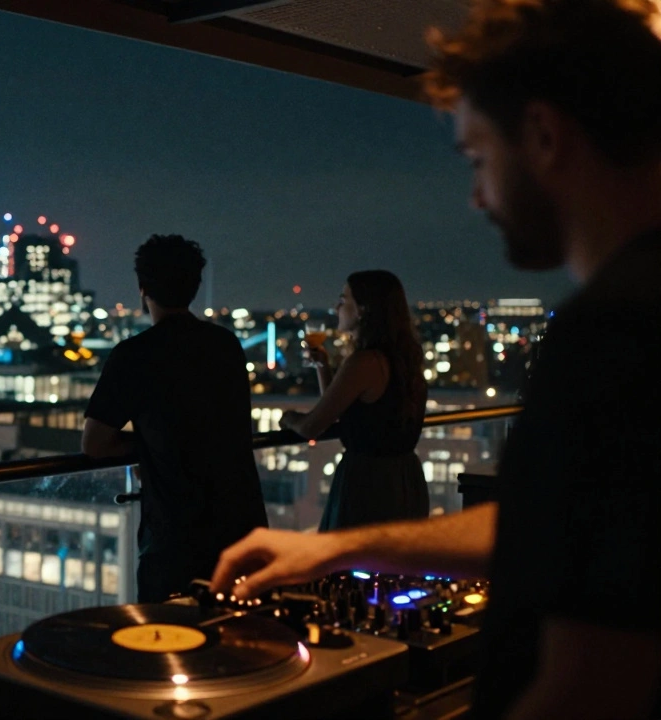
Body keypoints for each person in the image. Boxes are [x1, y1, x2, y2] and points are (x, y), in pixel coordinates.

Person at [211, 1, 661, 717]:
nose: (478, 196)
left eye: (480, 158)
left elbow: (599, 683)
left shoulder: (616, 331)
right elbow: (561, 526)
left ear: (544, 136)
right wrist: (335, 551)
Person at [83, 235, 268, 603]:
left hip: (175, 538)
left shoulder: (134, 356)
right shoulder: (226, 346)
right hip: (240, 524)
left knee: (167, 630)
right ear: (194, 286)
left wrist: (148, 446)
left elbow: (94, 444)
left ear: (143, 289)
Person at [281, 270, 429, 530]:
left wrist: (289, 418)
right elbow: (346, 410)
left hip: (369, 484)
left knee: (355, 553)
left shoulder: (364, 362)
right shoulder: (402, 359)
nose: (336, 307)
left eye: (343, 299)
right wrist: (323, 366)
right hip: (405, 480)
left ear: (363, 309)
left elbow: (311, 427)